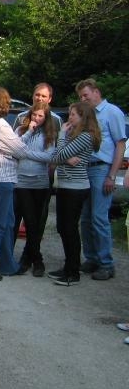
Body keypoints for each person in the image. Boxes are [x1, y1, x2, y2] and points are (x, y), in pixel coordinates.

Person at [0, 87, 52, 281]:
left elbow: (14, 145)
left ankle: (8, 265)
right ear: (2, 103)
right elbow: (19, 150)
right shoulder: (0, 125)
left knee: (8, 221)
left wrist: (27, 133)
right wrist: (28, 138)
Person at [76, 78, 126, 280]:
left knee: (99, 218)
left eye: (85, 95)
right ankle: (92, 258)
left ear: (96, 92)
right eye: (80, 97)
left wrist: (111, 175)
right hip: (86, 168)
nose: (83, 99)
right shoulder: (87, 115)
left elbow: (120, 145)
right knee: (86, 218)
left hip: (101, 169)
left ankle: (106, 263)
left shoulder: (112, 112)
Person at [46, 102, 101, 286]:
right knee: (62, 227)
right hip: (65, 185)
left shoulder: (85, 136)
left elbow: (59, 155)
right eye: (69, 114)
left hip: (75, 188)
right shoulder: (74, 135)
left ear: (83, 117)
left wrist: (61, 135)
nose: (69, 118)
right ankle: (68, 265)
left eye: (73, 115)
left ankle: (73, 272)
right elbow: (55, 156)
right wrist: (64, 156)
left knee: (69, 228)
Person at [12, 101, 57, 277]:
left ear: (46, 118)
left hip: (39, 181)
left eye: (40, 116)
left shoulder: (49, 134)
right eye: (34, 115)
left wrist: (26, 154)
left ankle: (29, 257)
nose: (36, 118)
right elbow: (15, 149)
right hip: (22, 181)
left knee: (35, 223)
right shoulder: (21, 130)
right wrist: (29, 132)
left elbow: (49, 156)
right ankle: (36, 259)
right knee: (28, 219)